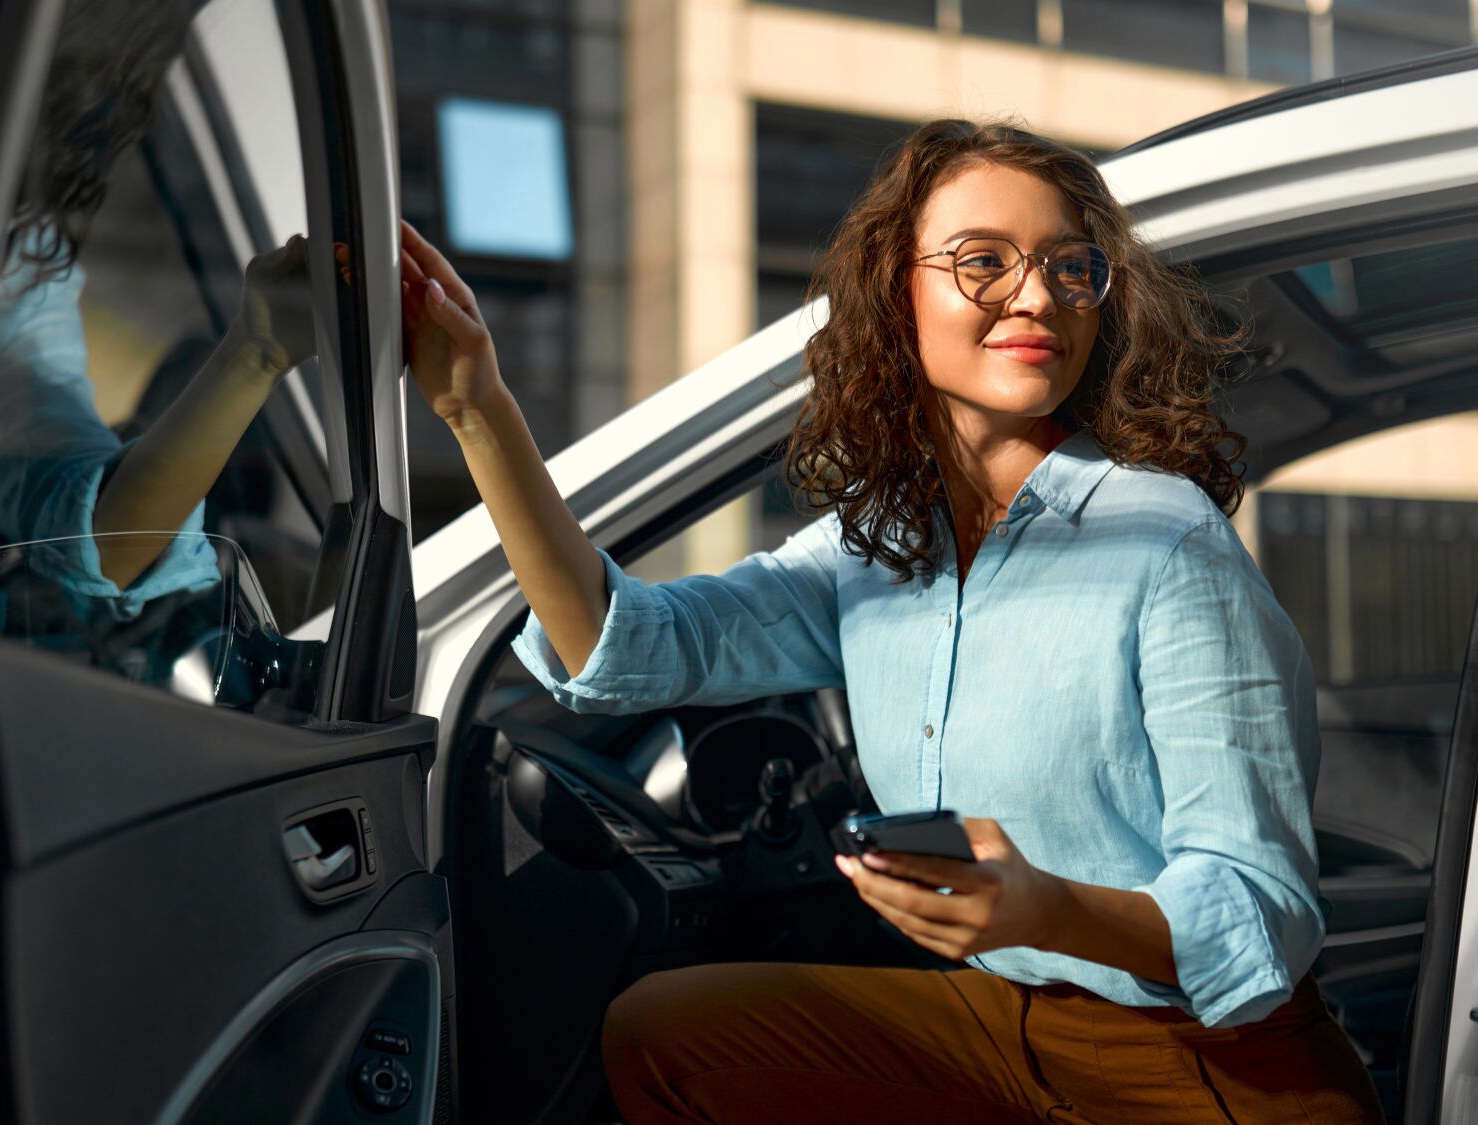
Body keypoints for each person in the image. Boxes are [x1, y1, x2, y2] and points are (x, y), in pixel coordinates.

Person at [398, 118, 1386, 1123]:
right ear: (894, 293)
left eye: (1068, 268)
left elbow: (1261, 912)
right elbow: (629, 645)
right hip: (1011, 1023)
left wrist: (1046, 907)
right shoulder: (877, 548)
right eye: (983, 261)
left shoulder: (1166, 541)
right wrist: (477, 409)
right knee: (662, 1035)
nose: (1036, 297)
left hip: (1211, 1069)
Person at [0, 0, 316, 617]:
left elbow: (103, 540)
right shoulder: (15, 269)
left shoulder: (15, 275)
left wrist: (259, 355)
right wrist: (257, 355)